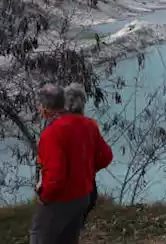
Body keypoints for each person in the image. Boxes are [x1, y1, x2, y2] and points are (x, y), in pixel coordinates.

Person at [31, 83, 113, 244]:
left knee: (40, 237)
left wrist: (44, 196)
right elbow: (106, 157)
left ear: (45, 109)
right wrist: (85, 169)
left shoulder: (52, 133)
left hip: (60, 199)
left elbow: (55, 176)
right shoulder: (89, 124)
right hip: (83, 195)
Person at [62, 84, 98, 227]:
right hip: (87, 184)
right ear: (83, 103)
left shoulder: (55, 126)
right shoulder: (91, 125)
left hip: (62, 186)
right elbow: (104, 156)